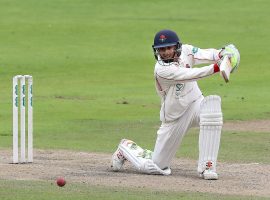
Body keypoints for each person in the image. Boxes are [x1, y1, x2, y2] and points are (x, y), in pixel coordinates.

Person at [111, 29, 240, 180]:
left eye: (168, 48)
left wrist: (222, 54)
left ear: (176, 47)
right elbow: (191, 75)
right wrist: (218, 67)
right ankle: (126, 148)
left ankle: (207, 167)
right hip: (174, 118)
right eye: (161, 49)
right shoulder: (161, 70)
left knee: (212, 108)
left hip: (195, 104)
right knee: (156, 166)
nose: (165, 52)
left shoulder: (186, 50)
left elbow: (208, 54)